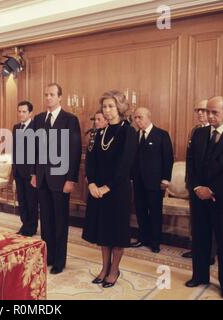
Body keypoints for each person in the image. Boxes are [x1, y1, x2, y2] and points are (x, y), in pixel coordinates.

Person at [82, 90, 137, 288]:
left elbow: (125, 164)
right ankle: (104, 268)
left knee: (117, 233)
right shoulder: (98, 132)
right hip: (98, 191)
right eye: (104, 106)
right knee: (103, 232)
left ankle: (114, 270)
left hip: (118, 191)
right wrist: (92, 184)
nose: (107, 110)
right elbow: (91, 161)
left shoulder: (128, 131)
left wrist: (107, 187)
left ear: (120, 108)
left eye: (111, 106)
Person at [31, 83, 82, 274]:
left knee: (60, 221)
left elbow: (74, 151)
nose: (48, 98)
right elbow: (35, 150)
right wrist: (34, 173)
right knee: (45, 220)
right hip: (43, 177)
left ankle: (60, 260)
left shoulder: (70, 119)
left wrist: (71, 179)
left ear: (60, 97)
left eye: (52, 94)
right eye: (46, 94)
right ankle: (48, 256)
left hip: (61, 179)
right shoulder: (38, 119)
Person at [185, 96, 223, 299]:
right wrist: (196, 187)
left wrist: (212, 190)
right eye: (208, 111)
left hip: (222, 199)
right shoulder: (199, 133)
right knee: (200, 240)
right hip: (199, 198)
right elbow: (191, 164)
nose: (209, 116)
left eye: (215, 112)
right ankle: (200, 276)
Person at [130, 107, 174, 253]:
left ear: (149, 117)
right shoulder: (135, 135)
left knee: (155, 212)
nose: (137, 120)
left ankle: (155, 242)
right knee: (140, 211)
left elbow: (168, 159)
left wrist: (166, 180)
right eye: (135, 118)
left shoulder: (161, 135)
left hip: (155, 182)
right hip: (138, 181)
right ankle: (143, 238)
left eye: (140, 117)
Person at [182, 99, 213, 259]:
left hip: (212, 189)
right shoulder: (195, 131)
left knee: (211, 224)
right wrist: (191, 183)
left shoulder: (218, 134)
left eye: (203, 110)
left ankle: (210, 254)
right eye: (198, 110)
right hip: (194, 185)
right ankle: (198, 251)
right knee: (197, 222)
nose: (200, 113)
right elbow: (191, 159)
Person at [12, 100, 38, 236]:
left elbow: (37, 152)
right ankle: (24, 224)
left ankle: (31, 227)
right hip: (18, 171)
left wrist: (35, 172)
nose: (21, 114)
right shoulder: (16, 127)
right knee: (22, 200)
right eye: (19, 111)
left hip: (30, 172)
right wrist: (14, 169)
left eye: (24, 112)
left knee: (31, 201)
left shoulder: (35, 127)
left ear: (30, 113)